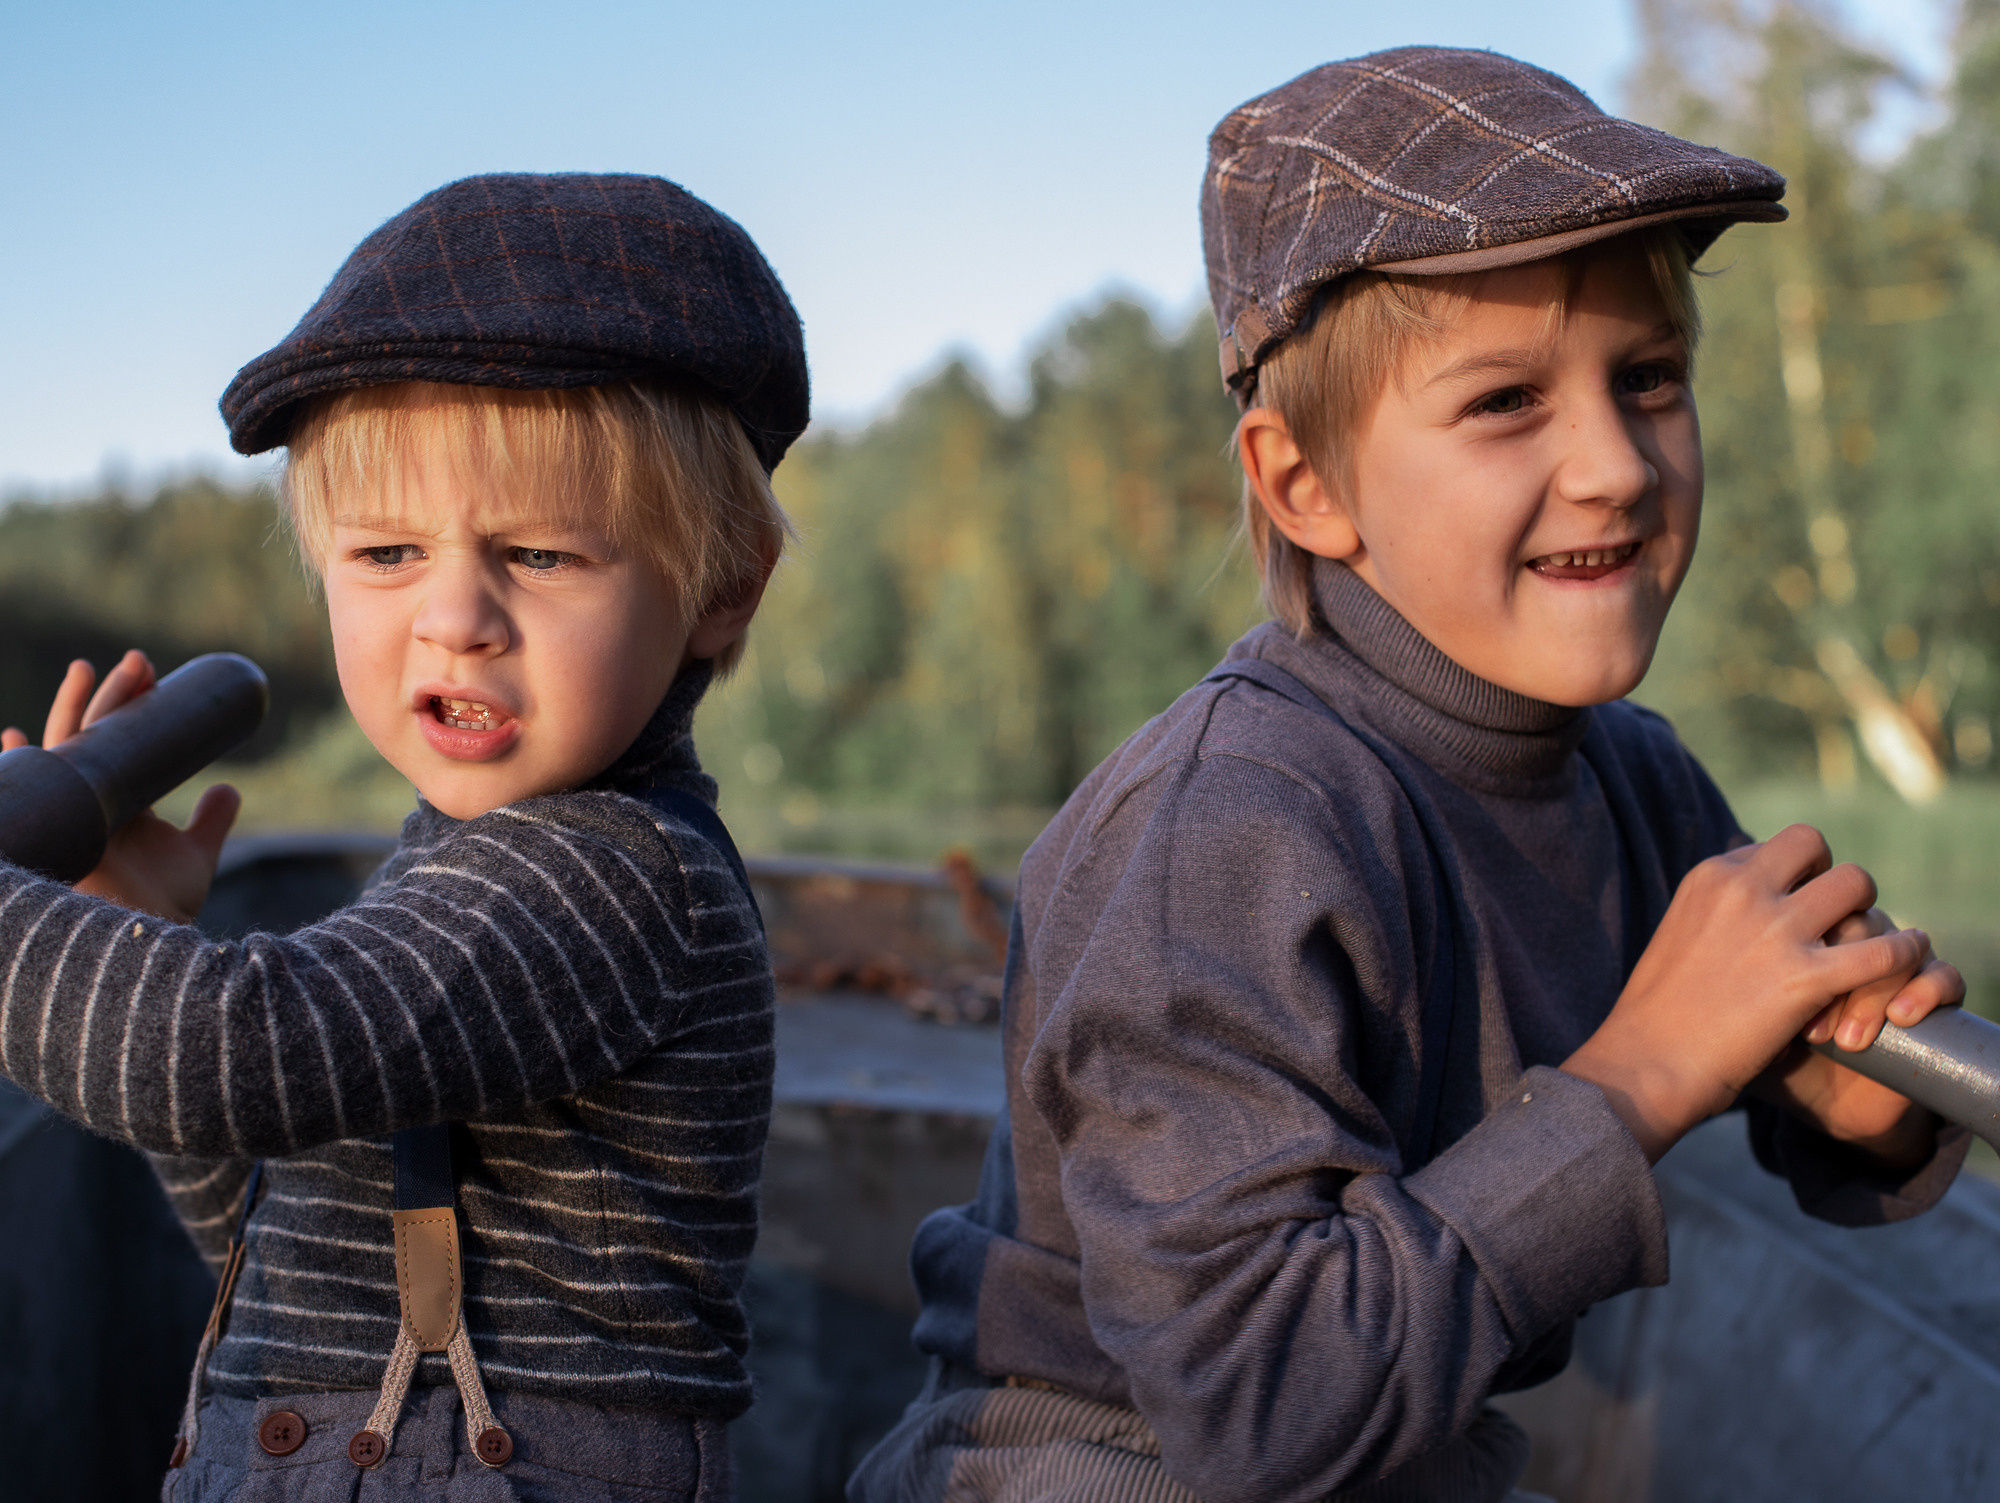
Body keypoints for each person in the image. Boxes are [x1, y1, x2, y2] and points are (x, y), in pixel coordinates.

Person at [852, 48, 1969, 1503]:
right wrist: (1637, 1079)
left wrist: (1857, 1103)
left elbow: (1795, 1091)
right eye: (1507, 401)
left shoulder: (1635, 783)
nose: (1617, 466)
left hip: (1400, 1444)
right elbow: (1255, 1402)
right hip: (1100, 1461)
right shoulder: (1230, 825)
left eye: (1649, 379)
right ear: (1306, 485)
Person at [0, 172, 806, 1500]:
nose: (454, 618)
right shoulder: (455, 863)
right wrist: (141, 932)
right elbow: (293, 1262)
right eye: (384, 555)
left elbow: (231, 1054)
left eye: (541, 556)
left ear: (719, 588)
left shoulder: (613, 874)